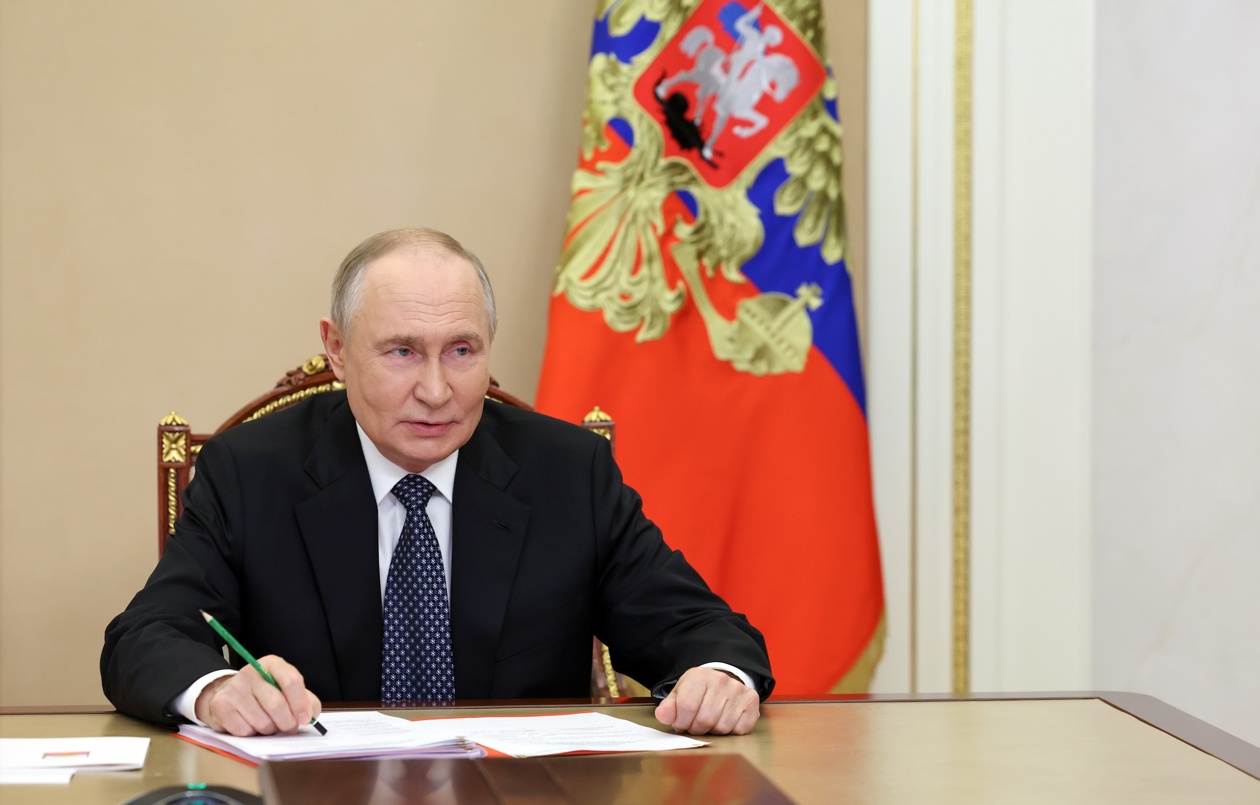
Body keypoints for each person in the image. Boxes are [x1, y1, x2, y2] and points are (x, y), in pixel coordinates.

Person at [102, 228, 773, 738]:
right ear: (336, 348)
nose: (436, 389)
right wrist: (220, 691)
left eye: (461, 350)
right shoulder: (252, 471)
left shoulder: (566, 472)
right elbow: (146, 635)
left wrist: (717, 675)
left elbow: (699, 626)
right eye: (401, 351)